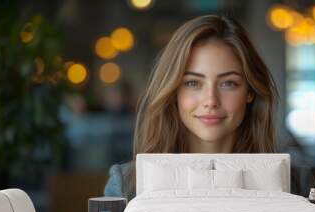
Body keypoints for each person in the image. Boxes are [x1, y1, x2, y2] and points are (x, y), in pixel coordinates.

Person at [104, 14, 279, 202]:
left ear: (250, 91)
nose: (211, 100)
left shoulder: (290, 184)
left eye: (228, 83)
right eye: (193, 82)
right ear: (174, 91)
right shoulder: (127, 186)